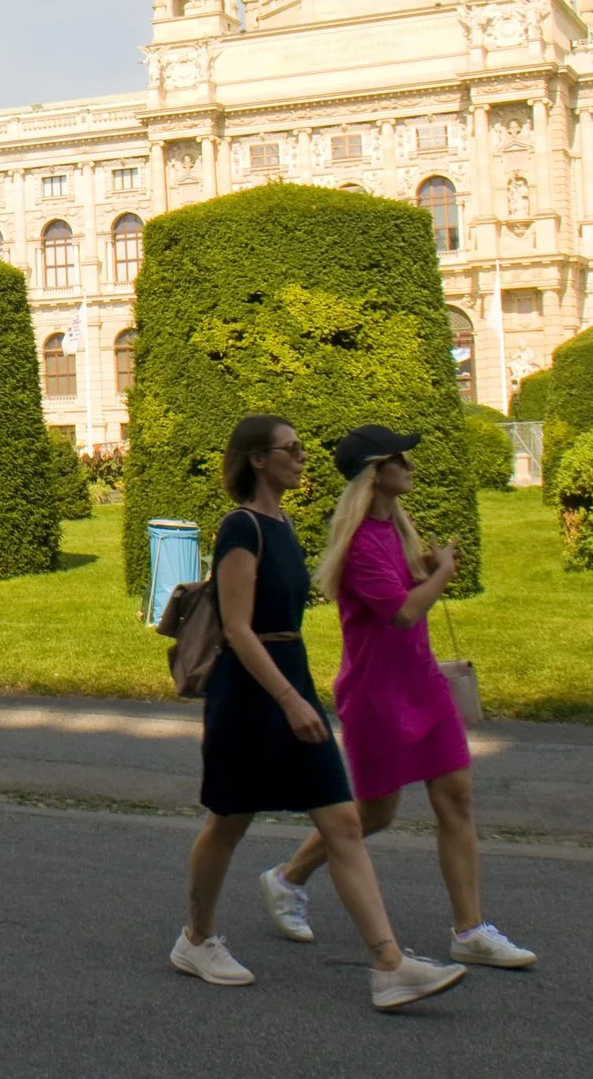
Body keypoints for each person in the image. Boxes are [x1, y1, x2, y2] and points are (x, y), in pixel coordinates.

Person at [172, 414, 467, 1012]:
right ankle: (196, 939)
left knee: (345, 822)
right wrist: (288, 700)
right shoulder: (242, 528)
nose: (303, 457)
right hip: (252, 692)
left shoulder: (284, 525)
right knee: (229, 819)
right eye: (292, 449)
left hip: (291, 678)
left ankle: (389, 964)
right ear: (258, 459)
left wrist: (298, 694)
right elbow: (236, 627)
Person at [259, 426, 536, 969]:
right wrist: (444, 575)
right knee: (377, 813)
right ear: (374, 473)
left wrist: (427, 571)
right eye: (398, 458)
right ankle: (287, 877)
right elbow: (403, 611)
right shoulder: (361, 541)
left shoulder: (397, 529)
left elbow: (407, 596)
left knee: (455, 797)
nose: (409, 465)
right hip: (377, 696)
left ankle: (470, 929)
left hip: (423, 685)